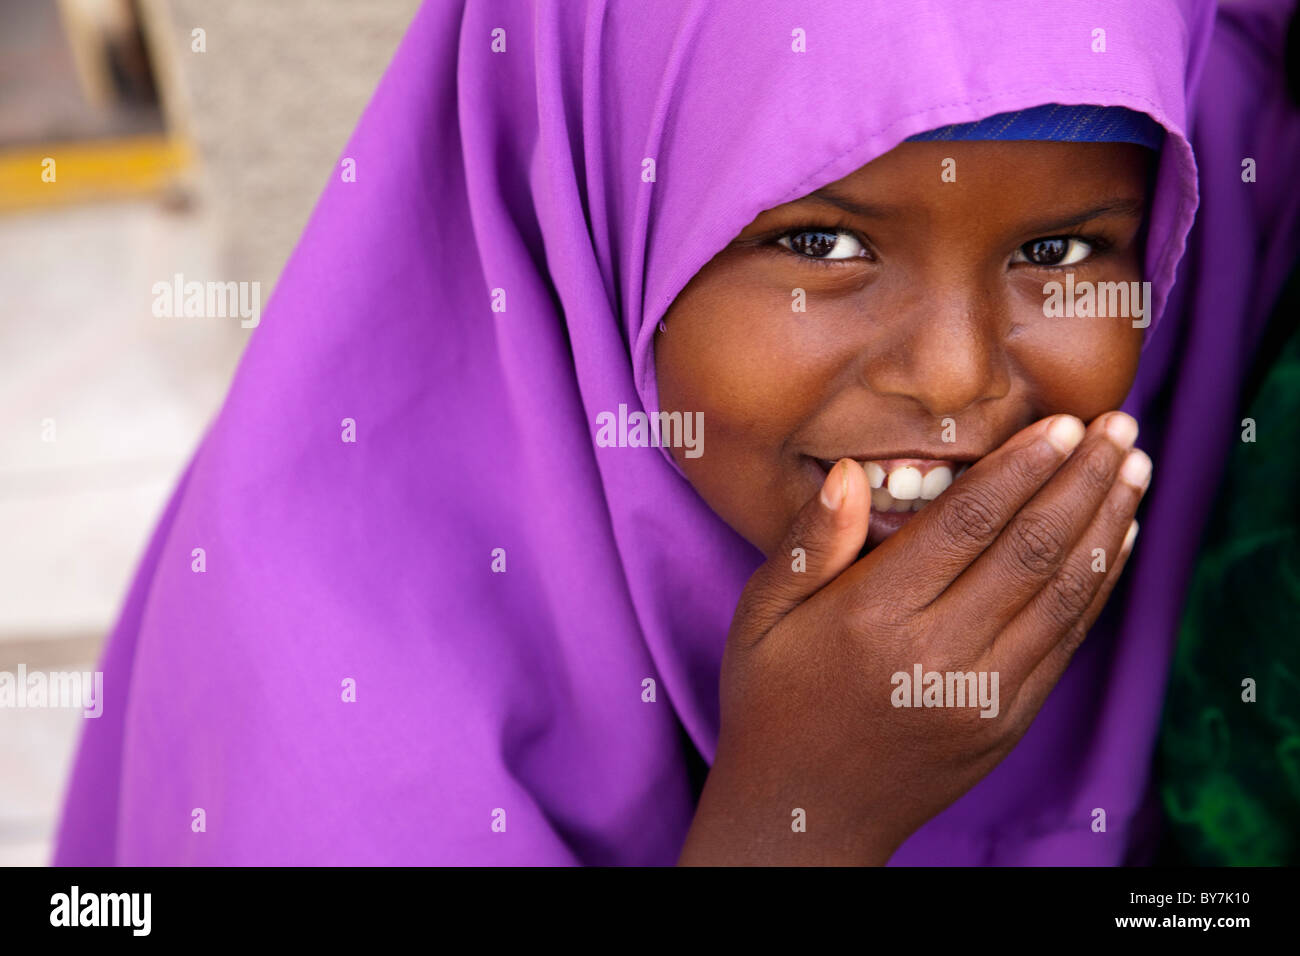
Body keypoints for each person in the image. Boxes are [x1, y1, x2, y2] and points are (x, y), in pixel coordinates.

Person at [53, 0, 1300, 865]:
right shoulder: (311, 687)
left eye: (1059, 251)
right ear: (589, 215)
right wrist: (800, 812)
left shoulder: (1204, 363)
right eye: (820, 244)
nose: (955, 379)